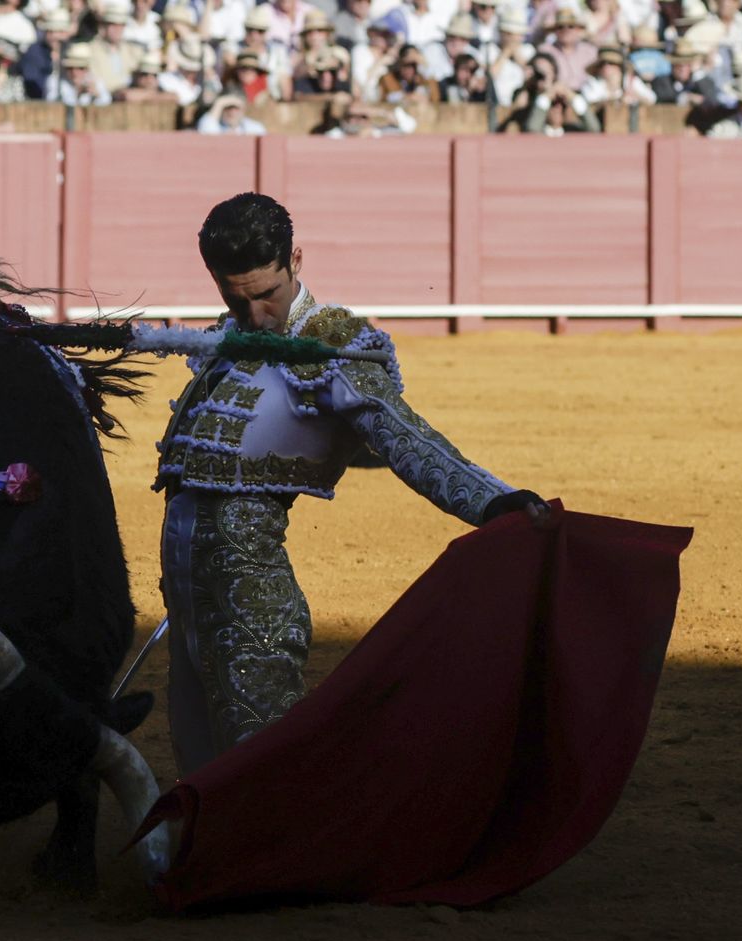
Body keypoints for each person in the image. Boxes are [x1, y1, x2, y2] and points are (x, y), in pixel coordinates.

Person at [155, 193, 546, 774]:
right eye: (236, 299)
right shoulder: (225, 339)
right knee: (197, 754)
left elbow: (404, 438)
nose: (256, 316)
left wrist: (493, 502)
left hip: (252, 599)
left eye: (267, 294)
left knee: (258, 763)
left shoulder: (331, 343)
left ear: (297, 261)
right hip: (185, 592)